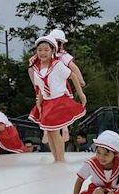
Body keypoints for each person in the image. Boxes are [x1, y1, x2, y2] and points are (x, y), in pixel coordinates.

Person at [28, 35, 87, 163]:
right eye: (40, 50)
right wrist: (39, 104)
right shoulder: (36, 68)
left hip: (59, 100)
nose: (42, 53)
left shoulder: (57, 65)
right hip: (47, 102)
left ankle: (60, 159)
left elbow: (73, 76)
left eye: (46, 50)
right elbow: (41, 89)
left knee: (54, 131)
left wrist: (81, 94)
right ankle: (56, 159)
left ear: (52, 51)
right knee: (49, 132)